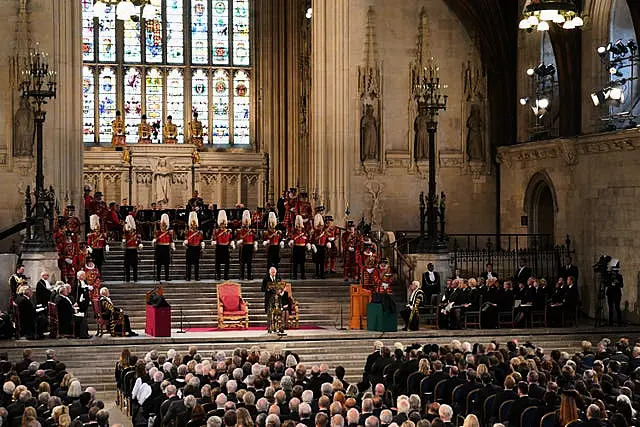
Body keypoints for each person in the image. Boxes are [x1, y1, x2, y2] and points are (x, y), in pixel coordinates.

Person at [212, 210, 234, 280]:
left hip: (225, 247)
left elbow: (230, 238)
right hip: (219, 247)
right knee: (218, 262)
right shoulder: (217, 231)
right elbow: (214, 238)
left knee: (227, 263)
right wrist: (214, 242)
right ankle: (218, 275)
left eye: (224, 224)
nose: (223, 225)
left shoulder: (228, 231)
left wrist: (232, 243)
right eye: (221, 224)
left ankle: (226, 275)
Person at [153, 213, 175, 282]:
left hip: (166, 248)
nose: (163, 226)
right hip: (159, 248)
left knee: (167, 264)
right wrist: (154, 242)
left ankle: (167, 277)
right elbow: (155, 241)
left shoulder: (169, 233)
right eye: (162, 225)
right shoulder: (158, 233)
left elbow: (171, 241)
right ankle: (158, 277)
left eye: (164, 225)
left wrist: (173, 246)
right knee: (159, 264)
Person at [236, 210, 258, 280]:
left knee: (249, 263)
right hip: (243, 246)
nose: (246, 223)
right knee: (242, 262)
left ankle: (249, 276)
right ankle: (241, 276)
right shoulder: (240, 231)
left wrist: (255, 244)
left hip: (250, 246)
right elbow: (238, 238)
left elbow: (255, 238)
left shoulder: (252, 231)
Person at [184, 212, 205, 281]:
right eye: (192, 225)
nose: (194, 226)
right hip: (190, 248)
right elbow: (186, 239)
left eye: (195, 225)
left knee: (196, 263)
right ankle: (188, 276)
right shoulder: (187, 232)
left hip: (197, 248)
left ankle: (196, 277)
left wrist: (202, 244)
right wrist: (185, 243)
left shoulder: (199, 232)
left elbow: (201, 239)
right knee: (188, 263)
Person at [122, 214, 143, 282]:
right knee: (127, 266)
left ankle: (135, 278)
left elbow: (139, 241)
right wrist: (124, 242)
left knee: (135, 266)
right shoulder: (126, 235)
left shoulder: (136, 236)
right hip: (128, 251)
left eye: (133, 230)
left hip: (134, 251)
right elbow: (123, 244)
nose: (131, 231)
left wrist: (140, 244)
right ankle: (127, 279)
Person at [289, 215, 310, 280]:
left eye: (300, 227)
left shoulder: (304, 234)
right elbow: (291, 240)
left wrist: (308, 245)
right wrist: (291, 243)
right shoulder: (294, 234)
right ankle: (294, 275)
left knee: (302, 263)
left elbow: (307, 241)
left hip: (302, 248)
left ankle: (302, 275)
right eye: (298, 227)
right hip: (296, 248)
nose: (299, 228)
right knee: (295, 263)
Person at [310, 214, 329, 279]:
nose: (320, 227)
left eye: (321, 226)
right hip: (317, 247)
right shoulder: (314, 233)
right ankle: (317, 274)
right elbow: (312, 240)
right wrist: (313, 246)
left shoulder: (325, 233)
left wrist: (328, 244)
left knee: (322, 262)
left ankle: (322, 274)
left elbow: (327, 239)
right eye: (318, 226)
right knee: (317, 262)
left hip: (322, 247)